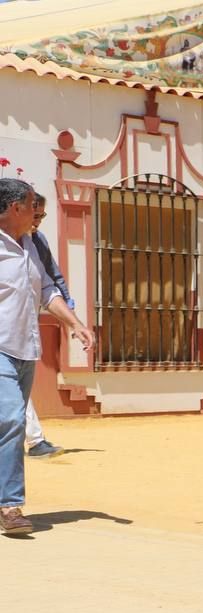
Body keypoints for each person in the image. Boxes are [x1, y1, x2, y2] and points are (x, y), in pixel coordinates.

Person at [0, 179, 94, 536]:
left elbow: (47, 289)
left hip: (25, 347)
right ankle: (10, 506)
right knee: (10, 420)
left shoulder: (34, 243)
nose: (38, 214)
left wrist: (75, 324)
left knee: (9, 426)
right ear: (15, 209)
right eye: (32, 207)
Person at [25, 192, 71, 459]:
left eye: (42, 215)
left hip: (20, 327)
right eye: (35, 214)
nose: (38, 220)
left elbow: (51, 276)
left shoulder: (37, 241)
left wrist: (67, 307)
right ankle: (35, 440)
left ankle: (35, 440)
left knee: (14, 387)